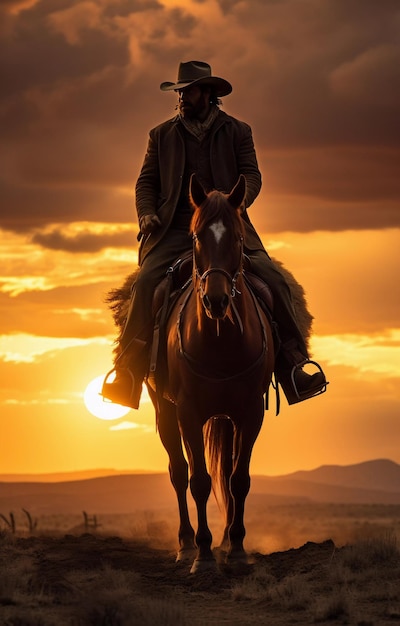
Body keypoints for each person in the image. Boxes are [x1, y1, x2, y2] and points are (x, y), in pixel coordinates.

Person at [102, 60, 327, 409]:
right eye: (179, 91)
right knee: (145, 283)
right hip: (175, 231)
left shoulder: (238, 131)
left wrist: (232, 205)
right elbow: (146, 182)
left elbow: (252, 175)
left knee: (276, 282)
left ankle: (293, 365)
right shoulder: (160, 135)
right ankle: (128, 373)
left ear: (207, 93)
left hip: (226, 227)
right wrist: (146, 213)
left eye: (188, 91)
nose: (181, 97)